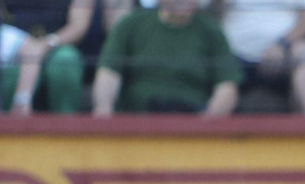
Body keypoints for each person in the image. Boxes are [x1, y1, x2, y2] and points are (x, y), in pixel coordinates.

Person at [92, 0, 242, 116]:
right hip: (137, 121)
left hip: (191, 124)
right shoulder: (131, 24)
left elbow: (227, 86)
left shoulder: (212, 32)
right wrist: (104, 113)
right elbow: (108, 73)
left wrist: (205, 124)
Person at [218, 0, 305, 111]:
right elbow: (213, 13)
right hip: (232, 52)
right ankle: (205, 126)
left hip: (285, 50)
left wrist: (282, 44)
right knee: (215, 67)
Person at [0, 0, 91, 114]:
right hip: (15, 47)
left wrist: (46, 44)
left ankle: (67, 124)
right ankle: (11, 126)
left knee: (65, 62)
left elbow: (78, 26)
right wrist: (23, 45)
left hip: (59, 45)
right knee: (12, 73)